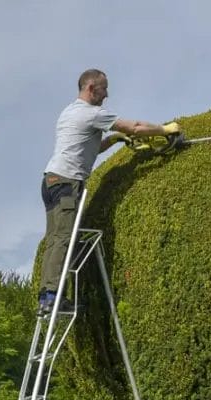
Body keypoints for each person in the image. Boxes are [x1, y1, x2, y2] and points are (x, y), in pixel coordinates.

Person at [37, 68, 180, 314]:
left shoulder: (69, 111)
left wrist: (113, 140)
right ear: (91, 88)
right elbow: (134, 127)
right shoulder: (92, 114)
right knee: (64, 240)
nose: (107, 94)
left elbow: (87, 148)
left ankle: (48, 295)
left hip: (51, 181)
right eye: (104, 88)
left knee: (54, 240)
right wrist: (165, 130)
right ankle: (52, 297)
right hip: (67, 183)